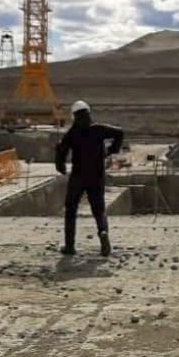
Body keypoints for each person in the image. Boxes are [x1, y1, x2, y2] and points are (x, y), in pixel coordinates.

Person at [54, 100, 124, 256]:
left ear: (74, 116)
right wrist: (112, 150)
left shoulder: (72, 133)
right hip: (97, 176)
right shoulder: (98, 129)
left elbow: (60, 150)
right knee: (99, 210)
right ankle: (103, 232)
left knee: (71, 209)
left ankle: (70, 246)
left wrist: (61, 166)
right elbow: (119, 132)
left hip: (78, 176)